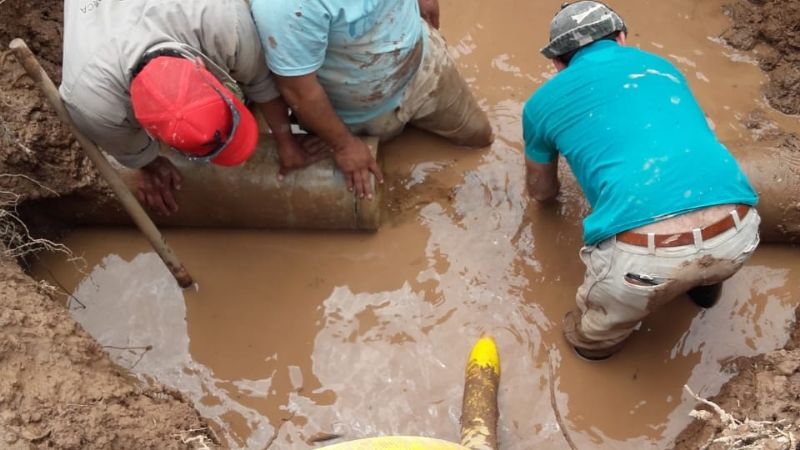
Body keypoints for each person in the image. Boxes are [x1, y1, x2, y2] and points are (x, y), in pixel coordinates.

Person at [523, 1, 760, 360]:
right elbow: (701, 132)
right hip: (739, 234)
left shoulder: (540, 104)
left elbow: (541, 192)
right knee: (710, 264)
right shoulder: (663, 67)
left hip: (642, 265)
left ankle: (595, 352)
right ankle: (704, 291)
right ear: (621, 38)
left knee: (588, 339)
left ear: (556, 62)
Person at [60, 0, 320, 216]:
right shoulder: (92, 103)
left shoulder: (223, 21)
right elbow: (126, 145)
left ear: (202, 66)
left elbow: (261, 80)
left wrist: (286, 140)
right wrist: (148, 164)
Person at [250, 0, 494, 199]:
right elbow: (298, 91)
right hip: (354, 118)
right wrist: (344, 145)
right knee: (388, 187)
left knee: (480, 137)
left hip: (424, 70)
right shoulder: (284, 7)